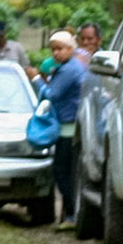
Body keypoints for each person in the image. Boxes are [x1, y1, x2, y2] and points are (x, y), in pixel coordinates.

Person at [41, 31, 85, 224]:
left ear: (70, 49)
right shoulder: (72, 67)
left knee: (62, 171)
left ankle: (70, 212)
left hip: (68, 128)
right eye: (53, 49)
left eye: (60, 49)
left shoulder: (68, 70)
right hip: (69, 125)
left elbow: (52, 94)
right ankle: (70, 211)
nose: (56, 53)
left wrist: (37, 81)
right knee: (67, 171)